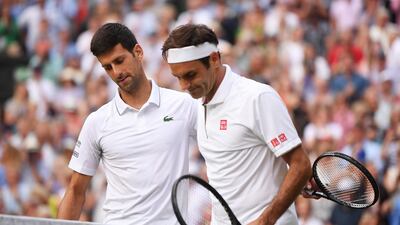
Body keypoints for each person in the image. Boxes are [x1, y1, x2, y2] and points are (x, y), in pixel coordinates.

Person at [162, 24, 312, 225]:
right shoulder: (199, 103)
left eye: (190, 75)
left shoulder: (257, 97)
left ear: (214, 59)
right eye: (178, 77)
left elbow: (300, 164)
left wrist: (265, 220)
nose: (184, 86)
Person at [57, 23, 197, 225]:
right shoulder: (97, 122)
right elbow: (76, 191)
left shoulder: (184, 105)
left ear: (138, 52)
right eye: (107, 67)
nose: (116, 72)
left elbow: (222, 150)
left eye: (119, 61)